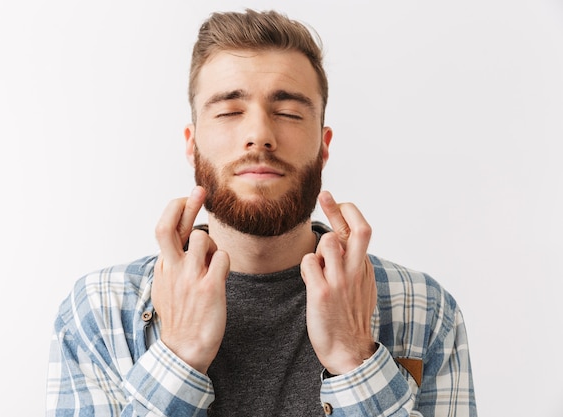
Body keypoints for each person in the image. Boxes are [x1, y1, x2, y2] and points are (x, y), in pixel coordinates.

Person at [46, 9, 477, 417]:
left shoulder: (424, 309)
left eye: (288, 112)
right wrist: (179, 355)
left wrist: (354, 360)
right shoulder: (100, 311)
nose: (259, 135)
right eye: (230, 111)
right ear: (191, 144)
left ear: (323, 145)